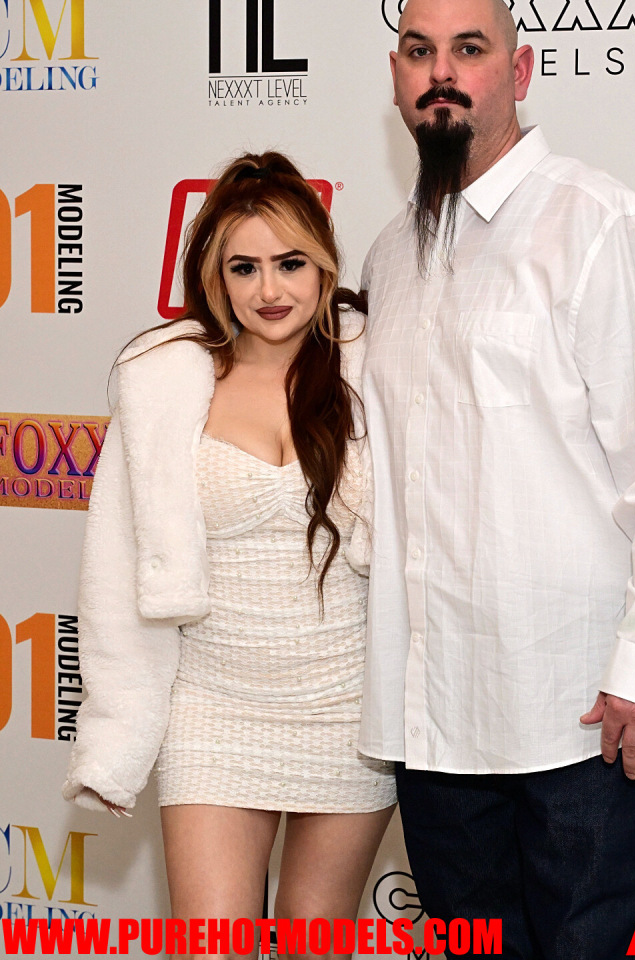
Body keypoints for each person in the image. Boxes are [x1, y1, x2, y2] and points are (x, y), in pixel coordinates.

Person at [357, 0, 635, 959]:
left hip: (593, 721)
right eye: (419, 51)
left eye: (469, 48)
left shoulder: (598, 223)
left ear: (518, 70)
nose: (442, 72)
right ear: (395, 78)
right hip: (440, 729)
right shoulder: (389, 257)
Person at [64, 153, 395, 959]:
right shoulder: (162, 384)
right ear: (214, 277)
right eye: (244, 267)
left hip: (348, 710)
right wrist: (114, 734)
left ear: (325, 264)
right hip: (213, 711)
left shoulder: (376, 370)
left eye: (291, 263)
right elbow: (113, 575)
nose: (269, 289)